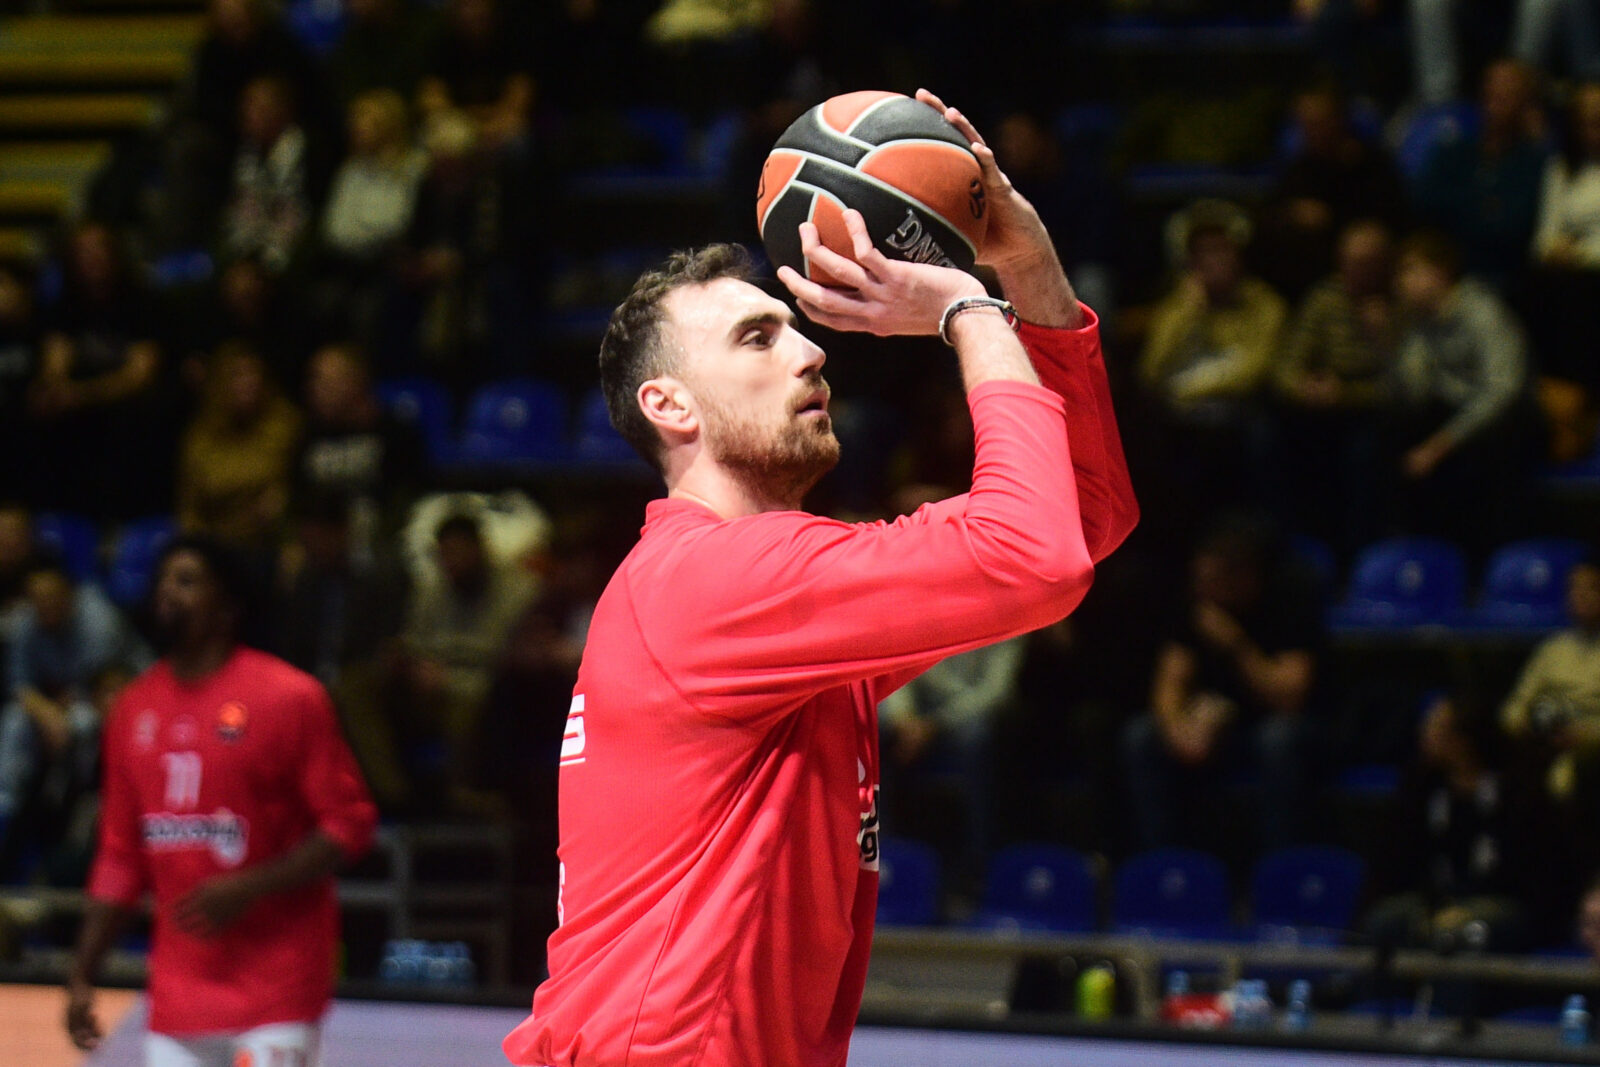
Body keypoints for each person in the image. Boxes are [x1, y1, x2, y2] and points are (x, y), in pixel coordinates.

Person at [502, 89, 1138, 1067]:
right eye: (757, 337)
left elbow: (1079, 524)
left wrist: (1026, 267)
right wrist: (969, 308)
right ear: (667, 403)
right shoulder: (717, 581)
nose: (809, 349)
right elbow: (1037, 554)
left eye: (794, 327)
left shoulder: (771, 601)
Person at [65, 536, 377, 1065]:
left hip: (278, 982)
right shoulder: (132, 709)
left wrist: (250, 887)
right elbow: (119, 854)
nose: (167, 592)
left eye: (186, 581)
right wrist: (81, 974)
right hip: (180, 994)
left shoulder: (289, 697)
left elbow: (348, 825)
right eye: (163, 579)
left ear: (228, 608)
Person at [1121, 518, 1321, 853]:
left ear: (1244, 577)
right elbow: (1169, 685)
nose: (1205, 589)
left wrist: (1235, 645)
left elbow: (1289, 696)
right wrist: (1179, 731)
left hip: (1282, 724)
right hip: (1212, 727)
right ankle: (1168, 866)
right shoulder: (1196, 608)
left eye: (1215, 580)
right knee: (1141, 735)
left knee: (1279, 740)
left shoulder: (1286, 602)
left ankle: (1278, 867)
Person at [1501, 555, 1600, 806]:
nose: (1581, 595)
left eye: (1591, 588)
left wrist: (1585, 736)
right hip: (1545, 739)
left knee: (1567, 779)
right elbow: (1516, 704)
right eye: (1574, 588)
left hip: (1590, 748)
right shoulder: (1552, 649)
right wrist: (1524, 726)